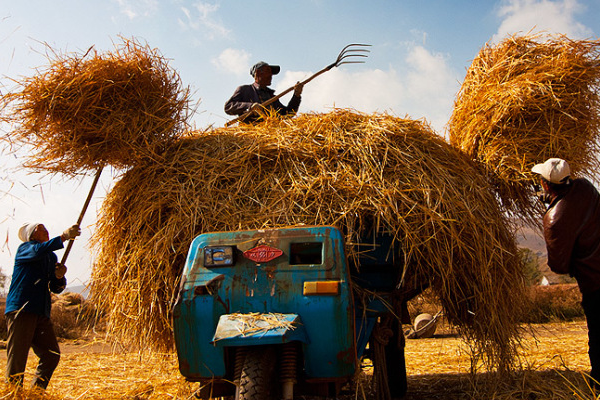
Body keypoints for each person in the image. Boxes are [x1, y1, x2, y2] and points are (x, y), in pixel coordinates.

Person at [531, 158, 600, 389]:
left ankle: (599, 387)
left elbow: (559, 266)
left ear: (547, 186)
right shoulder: (586, 187)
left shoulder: (554, 220)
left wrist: (552, 210)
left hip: (596, 283)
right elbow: (576, 205)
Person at [4, 222, 80, 389]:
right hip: (22, 309)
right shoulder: (26, 249)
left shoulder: (50, 257)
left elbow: (55, 288)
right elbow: (38, 251)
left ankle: (35, 393)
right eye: (40, 228)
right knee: (18, 358)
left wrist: (59, 277)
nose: (45, 229)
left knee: (51, 354)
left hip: (41, 311)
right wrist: (64, 237)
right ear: (31, 235)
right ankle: (13, 394)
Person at [224, 61, 303, 123]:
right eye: (268, 71)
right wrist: (250, 106)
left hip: (271, 133)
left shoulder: (272, 97)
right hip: (253, 135)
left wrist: (296, 96)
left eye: (271, 73)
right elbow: (228, 107)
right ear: (258, 73)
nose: (271, 75)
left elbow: (288, 113)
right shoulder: (245, 90)